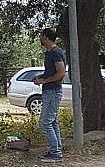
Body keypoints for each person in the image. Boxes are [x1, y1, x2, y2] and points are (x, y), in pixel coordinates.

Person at [34, 27, 67, 162]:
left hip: (53, 91)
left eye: (41, 36)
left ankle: (56, 153)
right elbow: (52, 72)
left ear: (46, 37)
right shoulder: (50, 53)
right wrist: (40, 78)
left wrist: (45, 80)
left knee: (44, 123)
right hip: (50, 90)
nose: (40, 39)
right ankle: (56, 150)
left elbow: (61, 73)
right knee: (52, 122)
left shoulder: (55, 53)